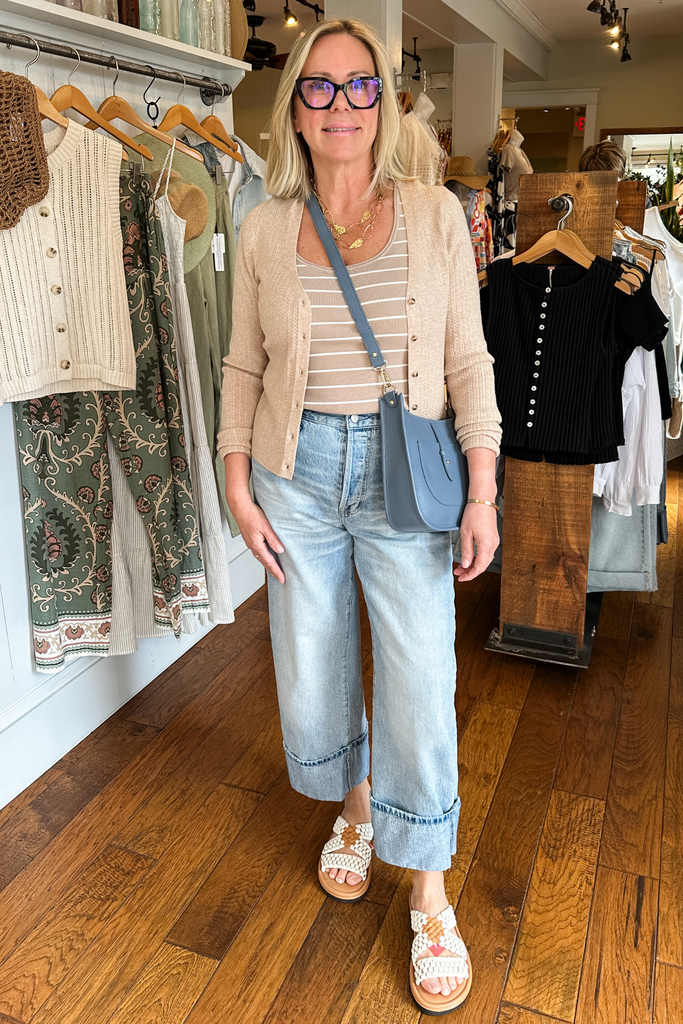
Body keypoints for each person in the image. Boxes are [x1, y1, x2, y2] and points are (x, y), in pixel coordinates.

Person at [218, 17, 501, 1015]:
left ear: (383, 102)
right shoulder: (262, 227)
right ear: (294, 109)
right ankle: (355, 804)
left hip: (403, 475)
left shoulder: (433, 213)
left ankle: (427, 887)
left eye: (360, 85)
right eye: (319, 86)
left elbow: (467, 359)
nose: (340, 104)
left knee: (419, 676)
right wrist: (236, 479)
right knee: (314, 662)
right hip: (294, 476)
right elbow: (243, 363)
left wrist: (482, 490)